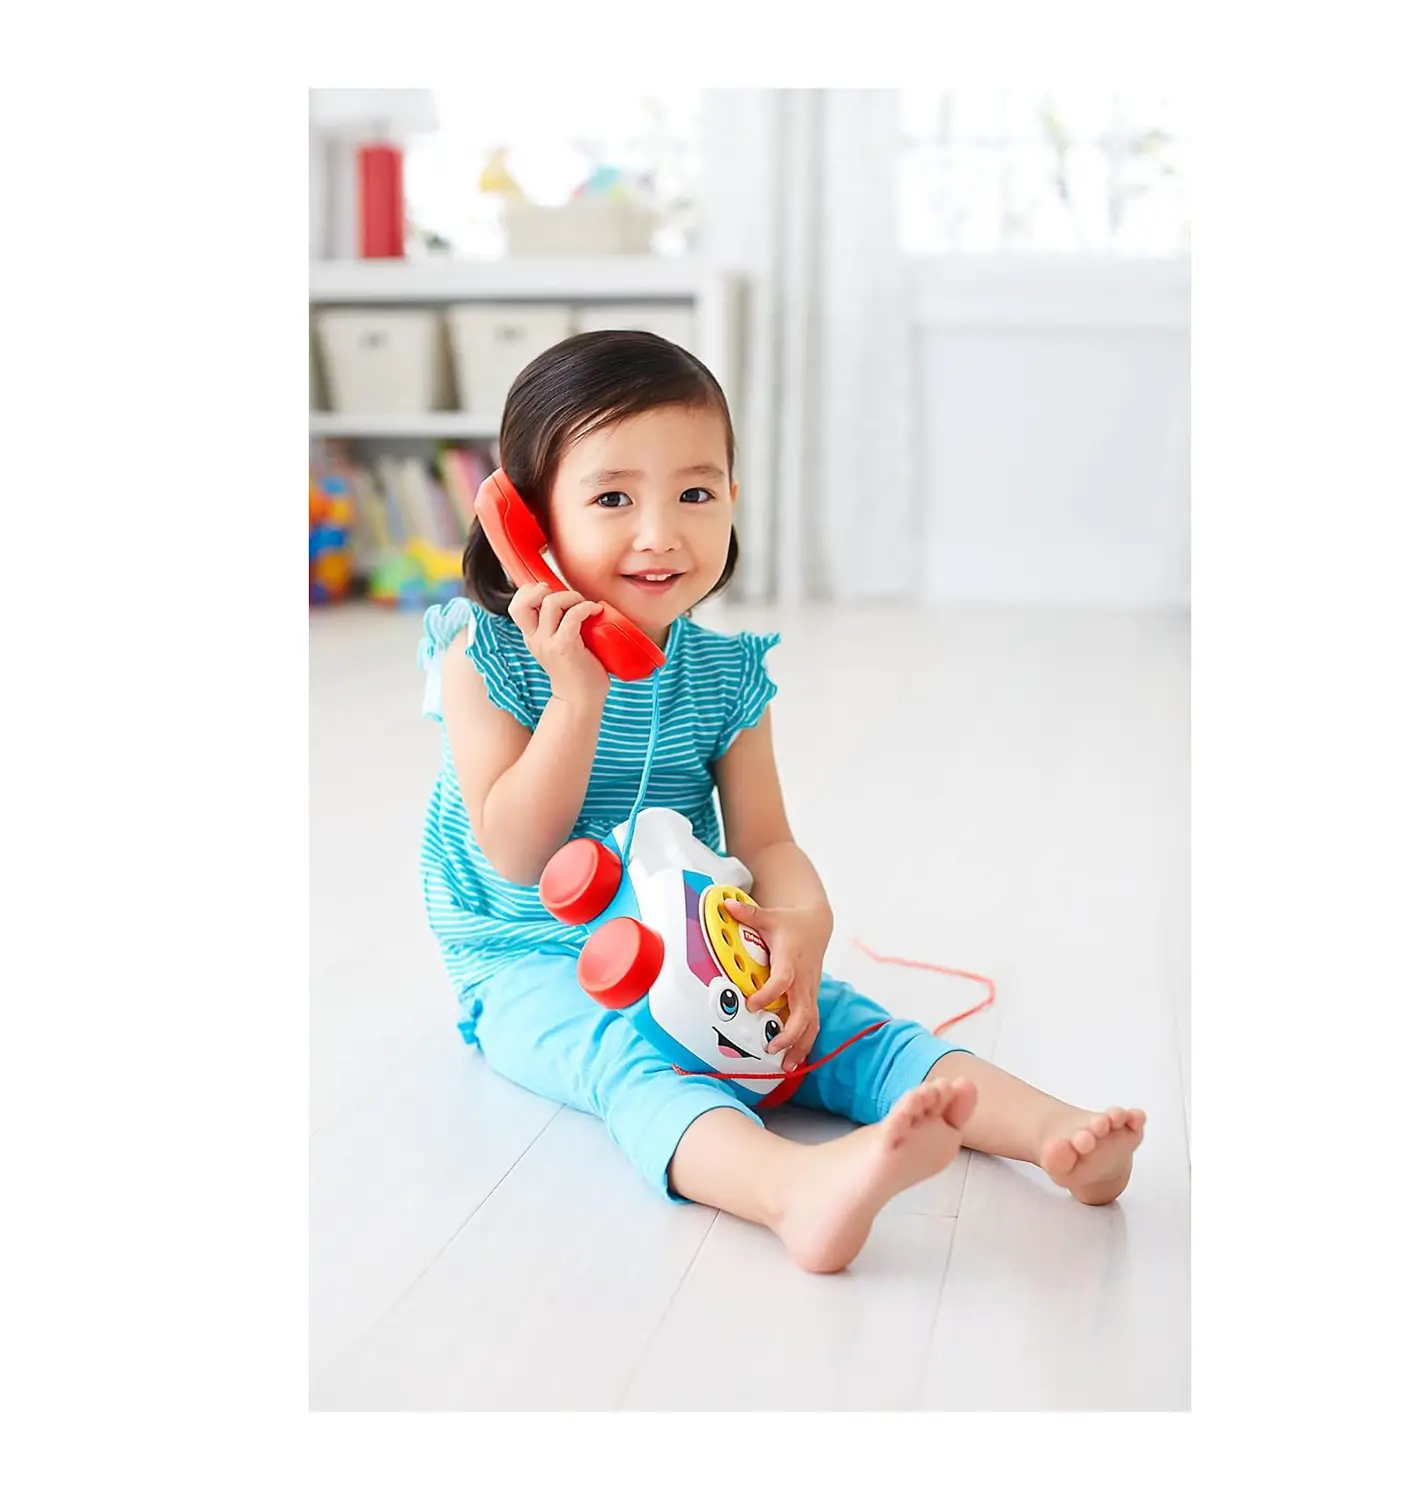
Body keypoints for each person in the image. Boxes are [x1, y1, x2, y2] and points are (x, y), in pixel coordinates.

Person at [418, 331, 1145, 1273]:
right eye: (612, 498)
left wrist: (803, 922)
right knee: (628, 1062)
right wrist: (577, 697)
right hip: (529, 959)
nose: (660, 532)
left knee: (842, 1024)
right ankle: (790, 1189)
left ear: (732, 497)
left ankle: (1053, 1133)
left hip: (688, 930)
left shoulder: (724, 676)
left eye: (695, 493)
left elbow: (766, 842)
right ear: (528, 524)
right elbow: (517, 852)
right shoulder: (484, 657)